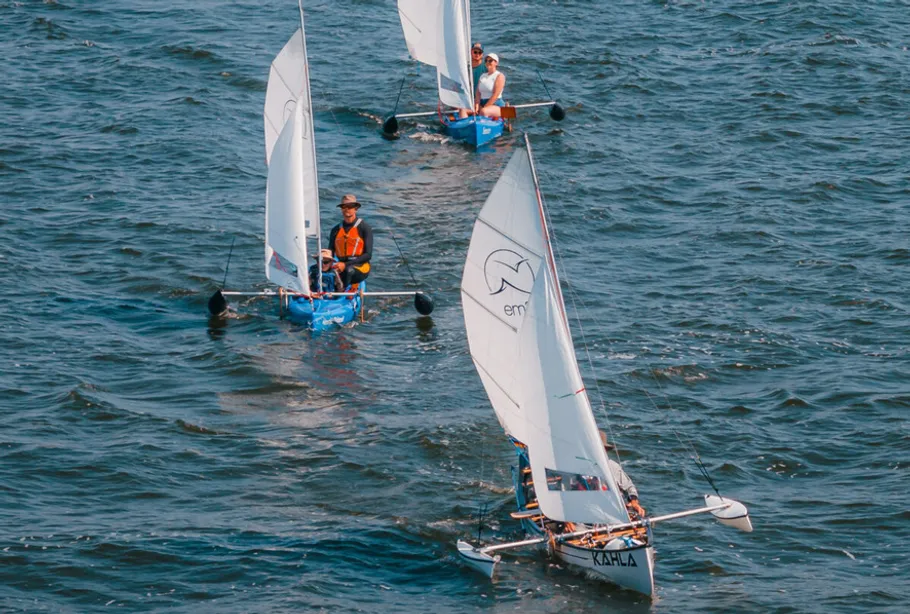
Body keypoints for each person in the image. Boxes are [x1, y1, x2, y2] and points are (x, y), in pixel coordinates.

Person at [328, 194, 372, 289]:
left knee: (349, 271)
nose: (347, 209)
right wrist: (325, 263)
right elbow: (330, 252)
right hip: (341, 265)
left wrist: (345, 265)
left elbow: (368, 255)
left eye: (350, 206)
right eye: (344, 207)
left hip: (360, 266)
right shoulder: (335, 230)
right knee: (316, 270)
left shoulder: (364, 228)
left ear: (356, 209)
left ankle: (342, 293)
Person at [601, 431, 646, 519]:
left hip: (612, 513)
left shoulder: (612, 466)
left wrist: (633, 502)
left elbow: (629, 488)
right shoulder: (578, 468)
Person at [475, 52, 506, 119]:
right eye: (486, 61)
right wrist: (477, 105)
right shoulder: (482, 76)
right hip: (482, 103)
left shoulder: (499, 76)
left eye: (490, 60)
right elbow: (478, 93)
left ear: (496, 63)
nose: (487, 62)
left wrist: (484, 107)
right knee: (463, 109)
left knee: (484, 111)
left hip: (496, 104)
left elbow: (495, 94)